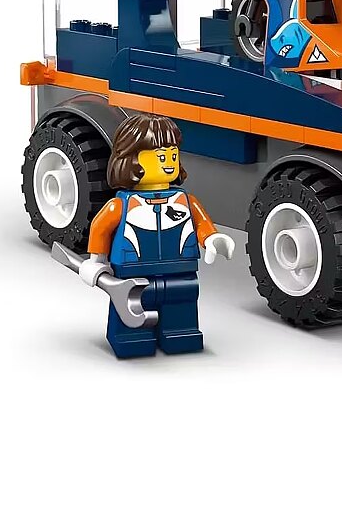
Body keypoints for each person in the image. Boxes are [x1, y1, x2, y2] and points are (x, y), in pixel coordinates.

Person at [80, 114, 234, 358]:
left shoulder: (185, 201)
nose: (169, 163)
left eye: (173, 155)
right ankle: (131, 338)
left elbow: (201, 223)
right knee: (132, 316)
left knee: (181, 308)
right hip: (133, 277)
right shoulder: (120, 206)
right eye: (161, 157)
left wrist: (212, 239)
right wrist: (96, 261)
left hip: (180, 272)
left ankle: (180, 334)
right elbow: (100, 229)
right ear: (131, 159)